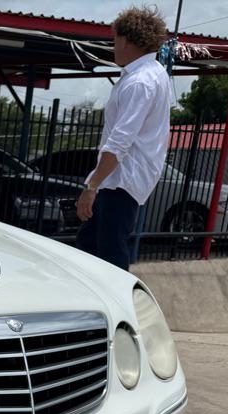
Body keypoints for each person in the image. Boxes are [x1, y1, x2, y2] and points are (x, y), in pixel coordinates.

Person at [76, 7, 171, 270]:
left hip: (121, 179)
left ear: (128, 41)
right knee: (90, 248)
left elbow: (120, 141)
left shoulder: (139, 83)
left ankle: (117, 309)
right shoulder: (155, 73)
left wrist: (91, 186)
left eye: (115, 39)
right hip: (123, 178)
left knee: (108, 256)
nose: (113, 46)